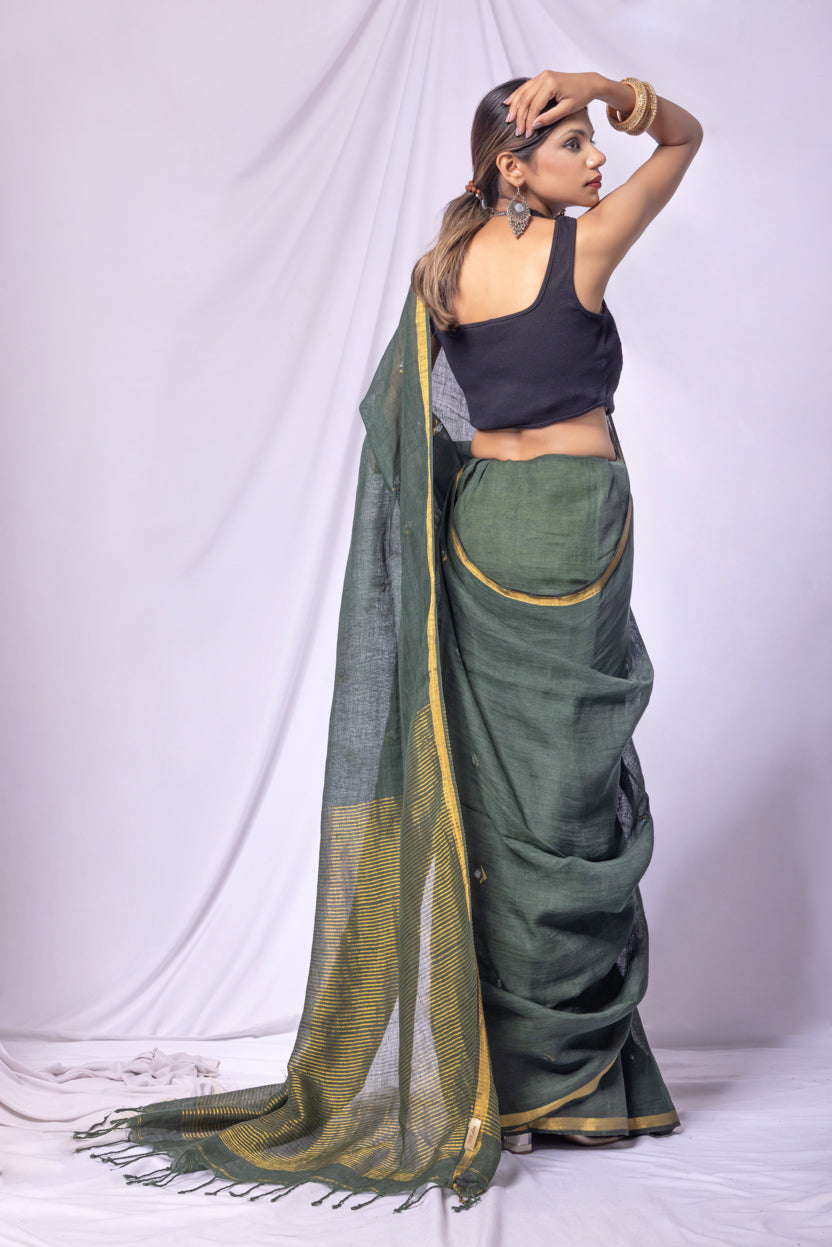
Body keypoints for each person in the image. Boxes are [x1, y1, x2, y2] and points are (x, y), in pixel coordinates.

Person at [76, 70, 703, 1211]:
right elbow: (685, 139)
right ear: (514, 167)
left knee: (505, 807)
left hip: (479, 540)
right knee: (561, 799)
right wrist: (628, 91)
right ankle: (565, 1082)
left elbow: (411, 425)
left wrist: (593, 95)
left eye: (590, 141)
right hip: (569, 533)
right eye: (572, 143)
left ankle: (505, 1084)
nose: (595, 158)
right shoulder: (587, 249)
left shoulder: (440, 275)